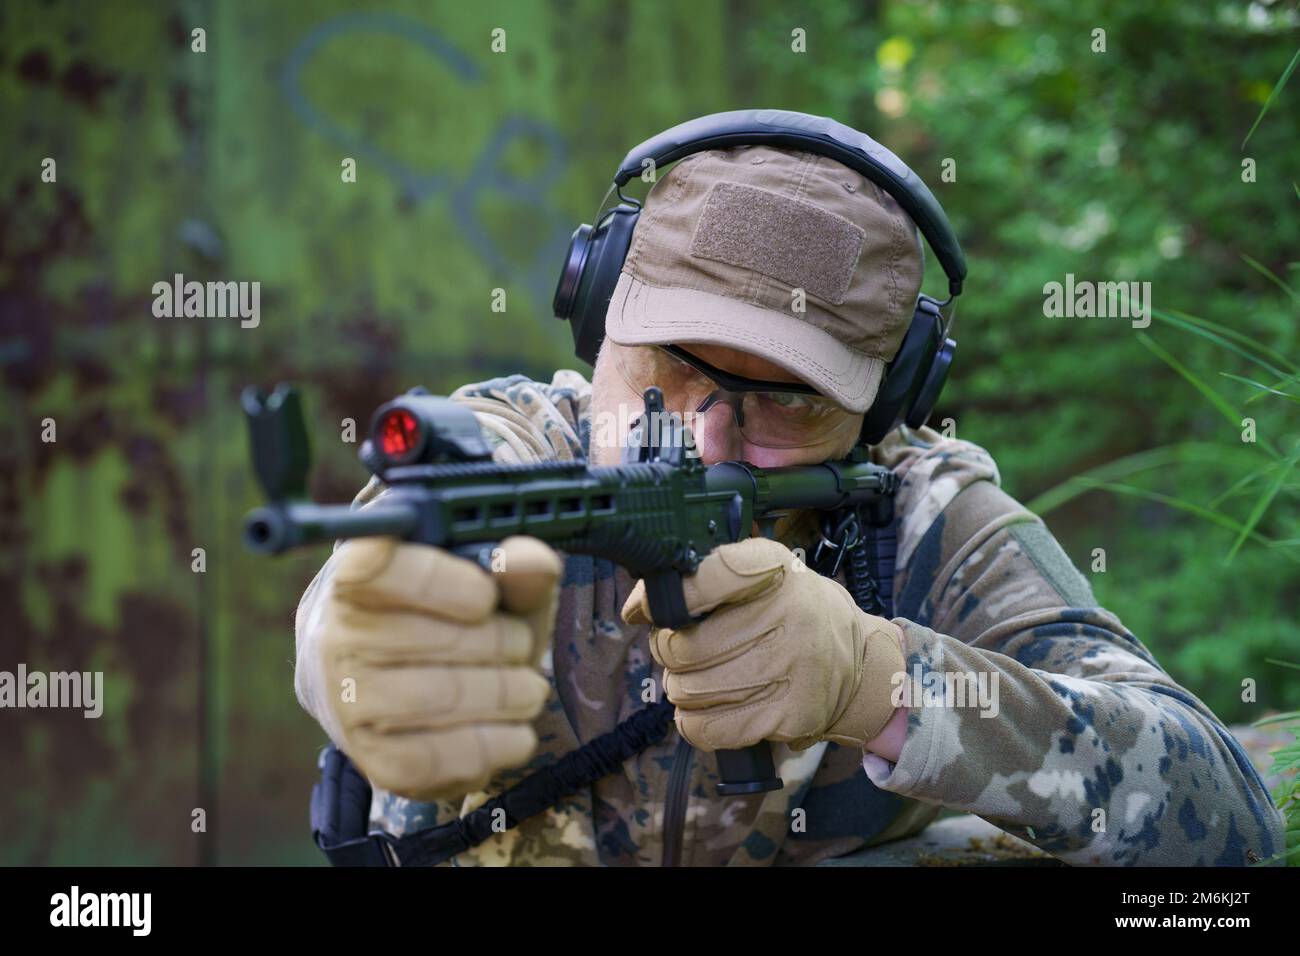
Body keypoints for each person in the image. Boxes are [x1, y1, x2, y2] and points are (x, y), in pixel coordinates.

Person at [292, 115, 1284, 866]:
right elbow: (391, 557)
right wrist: (353, 636)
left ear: (883, 404)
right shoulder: (522, 452)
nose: (707, 435)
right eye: (670, 366)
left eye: (789, 400)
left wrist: (884, 681)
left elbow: (1229, 816)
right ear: (597, 317)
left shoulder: (921, 517)